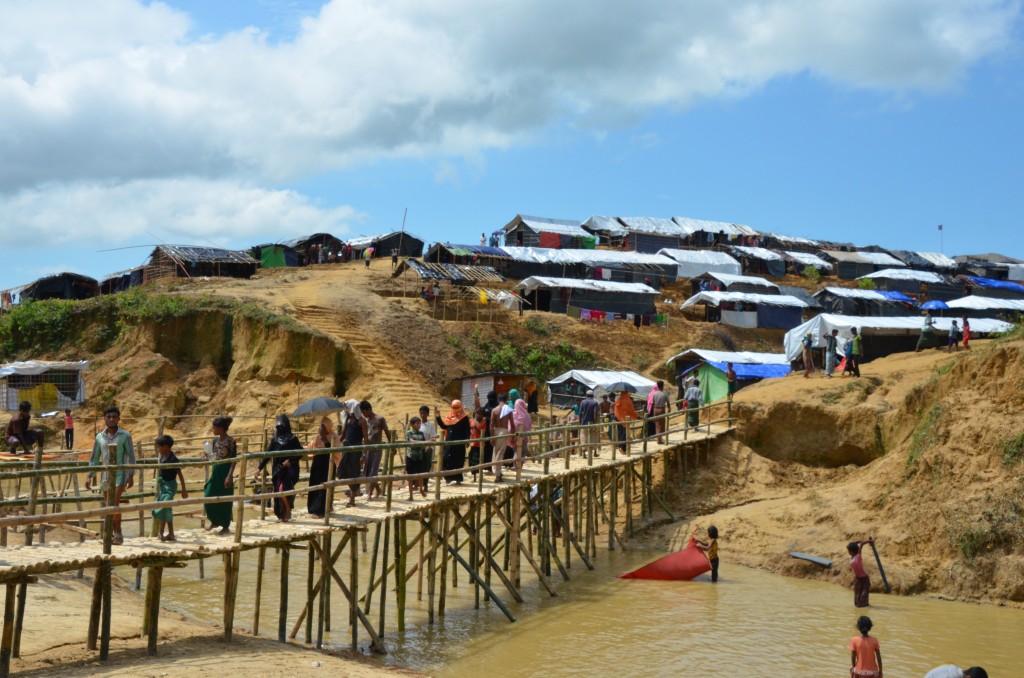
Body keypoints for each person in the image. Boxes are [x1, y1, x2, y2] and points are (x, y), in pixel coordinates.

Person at [86, 406, 135, 545]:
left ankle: (118, 534)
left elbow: (131, 456)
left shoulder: (125, 435)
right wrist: (90, 475)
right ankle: (112, 534)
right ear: (104, 419)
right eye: (109, 417)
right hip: (106, 475)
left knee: (114, 504)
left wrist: (131, 475)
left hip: (120, 474)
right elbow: (94, 457)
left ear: (118, 419)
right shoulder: (99, 437)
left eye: (114, 417)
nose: (111, 419)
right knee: (108, 506)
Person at [257, 414, 303, 522]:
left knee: (284, 489)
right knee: (278, 491)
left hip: (290, 469)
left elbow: (301, 453)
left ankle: (288, 509)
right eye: (278, 427)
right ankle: (282, 515)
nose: (280, 429)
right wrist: (259, 468)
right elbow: (267, 455)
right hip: (277, 470)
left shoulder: (293, 439)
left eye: (282, 426)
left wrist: (290, 460)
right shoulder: (275, 440)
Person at [205, 416, 238, 533]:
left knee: (225, 500)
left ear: (220, 428)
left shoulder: (231, 441)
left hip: (225, 471)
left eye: (214, 427)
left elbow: (234, 460)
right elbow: (213, 457)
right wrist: (206, 455)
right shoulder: (215, 441)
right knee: (208, 496)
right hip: (216, 470)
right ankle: (214, 521)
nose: (212, 429)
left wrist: (229, 476)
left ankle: (225, 525)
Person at [153, 434, 187, 542]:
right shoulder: (162, 456)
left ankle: (161, 532)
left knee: (164, 506)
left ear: (166, 446)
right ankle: (170, 534)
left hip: (170, 486)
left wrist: (184, 490)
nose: (158, 449)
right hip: (163, 486)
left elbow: (180, 475)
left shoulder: (173, 459)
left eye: (159, 447)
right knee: (167, 508)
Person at [306, 416, 340, 518]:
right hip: (317, 464)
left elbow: (336, 452)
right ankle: (313, 508)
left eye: (324, 428)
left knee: (325, 485)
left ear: (328, 427)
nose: (322, 430)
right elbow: (309, 448)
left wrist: (325, 440)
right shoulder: (317, 437)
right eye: (321, 428)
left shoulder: (334, 436)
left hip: (328, 464)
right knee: (315, 485)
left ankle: (321, 510)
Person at [338, 400, 365, 507]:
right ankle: (354, 491)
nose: (345, 410)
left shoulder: (361, 421)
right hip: (346, 448)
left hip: (356, 450)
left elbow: (366, 440)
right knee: (341, 471)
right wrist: (334, 444)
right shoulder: (348, 419)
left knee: (354, 472)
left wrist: (364, 454)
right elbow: (343, 435)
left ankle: (353, 498)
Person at [360, 401, 390, 499]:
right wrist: (364, 452)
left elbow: (387, 432)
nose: (364, 415)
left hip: (377, 449)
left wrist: (392, 445)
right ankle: (378, 489)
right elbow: (365, 437)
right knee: (368, 472)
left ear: (369, 410)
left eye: (364, 412)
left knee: (374, 472)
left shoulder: (380, 419)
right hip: (368, 449)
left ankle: (370, 493)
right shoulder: (366, 421)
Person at [436, 400, 470, 485]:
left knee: (458, 459)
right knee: (447, 459)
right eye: (454, 407)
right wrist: (438, 417)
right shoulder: (449, 416)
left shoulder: (464, 417)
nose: (455, 409)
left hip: (459, 443)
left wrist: (467, 440)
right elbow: (444, 426)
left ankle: (458, 479)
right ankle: (448, 478)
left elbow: (467, 430)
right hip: (449, 441)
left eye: (457, 407)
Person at [489, 392, 515, 481]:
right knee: (501, 453)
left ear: (498, 400)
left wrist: (491, 437)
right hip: (504, 431)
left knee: (495, 452)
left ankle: (497, 471)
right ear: (506, 400)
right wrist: (513, 436)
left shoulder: (494, 410)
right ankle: (497, 474)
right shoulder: (508, 409)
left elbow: (491, 425)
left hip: (496, 431)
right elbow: (512, 424)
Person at [405, 417, 429, 499]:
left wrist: (426, 446)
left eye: (419, 423)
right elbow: (412, 441)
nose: (419, 425)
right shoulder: (409, 433)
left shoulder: (421, 433)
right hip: (411, 456)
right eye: (417, 423)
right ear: (412, 424)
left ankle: (421, 489)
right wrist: (426, 442)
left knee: (420, 475)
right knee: (410, 476)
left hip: (419, 456)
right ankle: (411, 495)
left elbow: (424, 444)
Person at [848, 537, 874, 607]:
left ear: (852, 551)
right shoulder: (851, 557)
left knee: (864, 596)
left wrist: (869, 541)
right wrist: (858, 541)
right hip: (858, 579)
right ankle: (859, 609)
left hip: (864, 579)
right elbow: (856, 543)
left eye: (849, 551)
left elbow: (862, 544)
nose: (848, 552)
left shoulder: (858, 556)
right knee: (857, 596)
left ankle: (865, 607)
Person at [511, 396, 532, 471]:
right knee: (523, 452)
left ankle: (514, 465)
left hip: (515, 436)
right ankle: (520, 466)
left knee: (515, 450)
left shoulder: (513, 414)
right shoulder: (526, 415)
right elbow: (529, 425)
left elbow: (510, 425)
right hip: (524, 436)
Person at [578, 390, 601, 457]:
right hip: (592, 422)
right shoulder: (595, 402)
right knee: (594, 437)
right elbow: (595, 413)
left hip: (584, 423)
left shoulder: (583, 402)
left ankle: (584, 454)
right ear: (593, 395)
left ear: (586, 395)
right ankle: (594, 452)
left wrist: (580, 423)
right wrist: (595, 423)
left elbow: (580, 414)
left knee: (583, 437)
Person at [468, 408, 486, 479]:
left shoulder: (483, 423)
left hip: (479, 445)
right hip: (472, 443)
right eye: (477, 413)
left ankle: (476, 476)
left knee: (477, 460)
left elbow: (483, 433)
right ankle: (474, 474)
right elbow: (469, 430)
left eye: (480, 414)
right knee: (471, 458)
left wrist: (476, 427)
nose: (478, 415)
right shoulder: (471, 421)